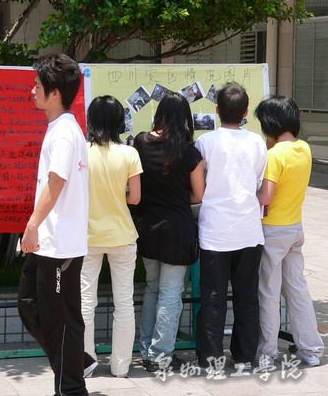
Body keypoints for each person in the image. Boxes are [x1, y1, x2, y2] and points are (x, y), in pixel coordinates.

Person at [17, 53, 89, 396]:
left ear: (55, 92)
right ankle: (77, 361)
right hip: (50, 241)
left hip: (60, 242)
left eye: (37, 85)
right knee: (28, 304)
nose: (32, 91)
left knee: (61, 321)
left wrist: (32, 224)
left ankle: (71, 387)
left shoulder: (64, 133)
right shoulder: (60, 129)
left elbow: (57, 181)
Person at [195, 82, 267, 369]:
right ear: (246, 112)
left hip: (214, 230)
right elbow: (258, 182)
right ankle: (245, 356)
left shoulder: (205, 142)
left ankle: (210, 358)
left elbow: (199, 185)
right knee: (247, 297)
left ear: (217, 110)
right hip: (248, 229)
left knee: (213, 298)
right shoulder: (257, 143)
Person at [133, 92, 205, 371]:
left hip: (147, 228)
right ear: (185, 118)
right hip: (177, 230)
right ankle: (161, 355)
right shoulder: (189, 152)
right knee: (170, 293)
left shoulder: (141, 142)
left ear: (160, 114)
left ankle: (147, 350)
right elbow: (198, 194)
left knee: (152, 288)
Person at [255, 96, 324, 367]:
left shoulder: (275, 155)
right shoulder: (303, 148)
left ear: (270, 124)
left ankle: (267, 353)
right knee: (297, 290)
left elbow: (266, 197)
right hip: (295, 227)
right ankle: (311, 350)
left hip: (273, 230)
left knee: (269, 292)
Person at [80, 95, 143, 378]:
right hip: (122, 235)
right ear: (119, 121)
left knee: (85, 302)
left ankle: (86, 364)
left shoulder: (82, 152)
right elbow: (135, 198)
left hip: (88, 236)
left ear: (91, 119)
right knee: (124, 303)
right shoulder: (129, 154)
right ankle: (121, 366)